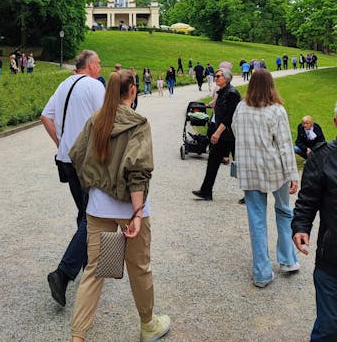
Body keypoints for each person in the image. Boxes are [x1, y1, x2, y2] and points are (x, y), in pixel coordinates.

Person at [69, 69, 170, 342]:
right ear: (133, 90)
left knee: (95, 271)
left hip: (99, 209)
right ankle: (148, 324)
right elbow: (138, 171)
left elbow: (76, 154)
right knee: (139, 268)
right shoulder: (138, 123)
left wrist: (94, 182)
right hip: (129, 211)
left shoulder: (95, 120)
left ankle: (78, 336)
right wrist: (137, 213)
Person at [40, 50, 105, 307]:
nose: (100, 67)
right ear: (90, 65)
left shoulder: (63, 84)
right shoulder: (93, 85)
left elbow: (46, 116)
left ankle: (89, 262)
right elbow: (108, 121)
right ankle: (64, 273)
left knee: (83, 211)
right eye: (98, 64)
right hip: (86, 160)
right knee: (94, 215)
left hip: (66, 159)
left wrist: (61, 141)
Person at [292, 96, 337, 341]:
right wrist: (300, 226)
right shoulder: (322, 157)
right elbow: (307, 200)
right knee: (327, 332)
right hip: (335, 264)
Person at [231, 69, 299, 288]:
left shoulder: (241, 108)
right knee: (284, 211)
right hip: (274, 170)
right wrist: (292, 174)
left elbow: (234, 130)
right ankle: (288, 259)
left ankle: (262, 272)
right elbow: (285, 145)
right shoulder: (277, 111)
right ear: (271, 85)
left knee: (257, 220)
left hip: (250, 170)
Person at [193, 68, 240, 201]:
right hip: (223, 134)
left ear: (226, 78)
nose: (215, 78)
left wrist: (217, 133)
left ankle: (251, 194)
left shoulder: (232, 93)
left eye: (218, 76)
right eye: (215, 76)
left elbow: (229, 117)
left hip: (230, 135)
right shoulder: (223, 92)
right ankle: (206, 191)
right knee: (213, 161)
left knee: (241, 164)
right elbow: (220, 109)